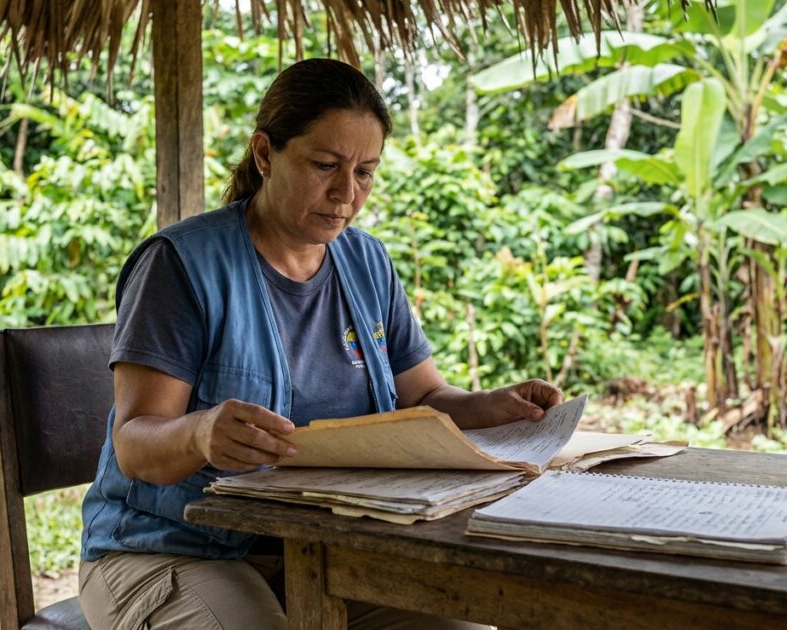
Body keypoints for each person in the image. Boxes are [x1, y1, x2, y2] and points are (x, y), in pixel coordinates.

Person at [77, 57, 563, 629]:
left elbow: (424, 397)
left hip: (321, 551)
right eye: (325, 165)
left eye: (365, 173)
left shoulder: (367, 262)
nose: (346, 194)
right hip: (168, 548)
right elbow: (135, 445)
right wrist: (200, 432)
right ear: (265, 154)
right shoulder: (181, 264)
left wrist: (495, 405)